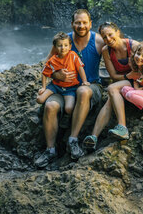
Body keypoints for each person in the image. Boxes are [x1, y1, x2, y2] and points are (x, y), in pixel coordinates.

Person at [34, 9, 104, 168]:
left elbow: (120, 47)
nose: (81, 26)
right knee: (50, 106)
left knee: (83, 91)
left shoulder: (98, 41)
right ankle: (50, 150)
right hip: (62, 87)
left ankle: (73, 140)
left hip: (90, 84)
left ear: (90, 24)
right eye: (78, 22)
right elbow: (48, 65)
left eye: (84, 22)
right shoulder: (63, 41)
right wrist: (56, 75)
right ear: (72, 24)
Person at [83, 26, 143, 149]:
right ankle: (94, 137)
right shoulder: (106, 50)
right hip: (127, 80)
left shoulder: (132, 45)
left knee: (112, 89)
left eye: (110, 34)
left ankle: (122, 127)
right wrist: (129, 76)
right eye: (104, 37)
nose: (108, 39)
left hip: (138, 82)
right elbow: (114, 76)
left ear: (118, 32)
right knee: (110, 99)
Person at [36, 32, 90, 125]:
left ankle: (66, 117)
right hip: (55, 86)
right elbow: (44, 73)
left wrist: (85, 81)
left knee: (69, 109)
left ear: (70, 46)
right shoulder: (53, 60)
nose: (63, 48)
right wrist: (43, 87)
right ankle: (43, 107)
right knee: (39, 99)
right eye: (60, 46)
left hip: (70, 88)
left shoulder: (73, 56)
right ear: (55, 47)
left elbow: (80, 68)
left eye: (65, 45)